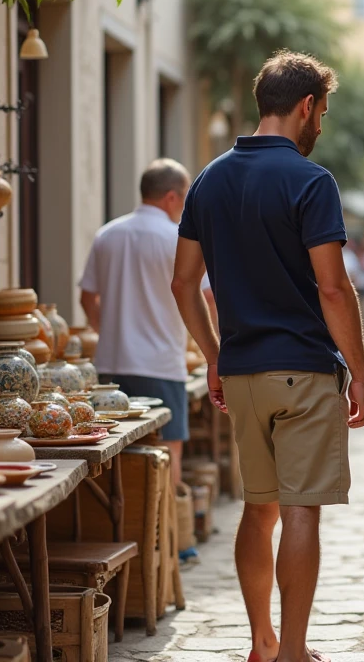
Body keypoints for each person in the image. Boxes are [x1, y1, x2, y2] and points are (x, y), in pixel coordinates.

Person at [171, 49, 364, 662]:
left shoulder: (208, 180)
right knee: (300, 512)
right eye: (323, 113)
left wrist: (213, 355)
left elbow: (183, 282)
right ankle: (292, 652)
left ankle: (261, 642)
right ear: (306, 106)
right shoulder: (311, 182)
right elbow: (333, 289)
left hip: (242, 376)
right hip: (304, 373)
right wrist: (361, 375)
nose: (321, 126)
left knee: (258, 511)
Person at [79, 158, 205, 489]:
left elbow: (87, 297)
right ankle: (167, 522)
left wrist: (107, 332)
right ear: (172, 197)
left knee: (114, 454)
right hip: (160, 364)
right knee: (167, 448)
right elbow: (206, 297)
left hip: (111, 364)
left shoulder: (107, 234)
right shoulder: (179, 238)